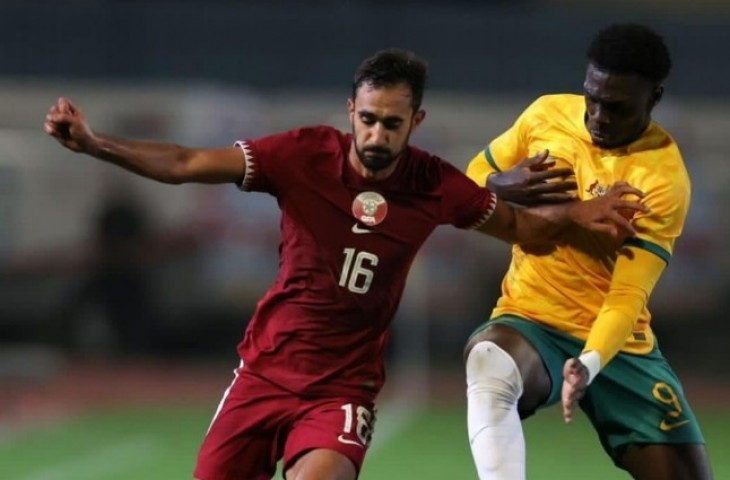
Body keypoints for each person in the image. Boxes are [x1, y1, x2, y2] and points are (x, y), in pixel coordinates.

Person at [44, 49, 645, 480]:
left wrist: (576, 212)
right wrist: (96, 144)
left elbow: (521, 229)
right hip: (263, 373)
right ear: (349, 110)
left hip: (340, 390)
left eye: (392, 122)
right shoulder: (301, 155)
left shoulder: (435, 183)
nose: (377, 135)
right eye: (367, 118)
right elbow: (182, 162)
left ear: (416, 122)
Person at [463, 24, 713, 480]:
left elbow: (626, 297)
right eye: (591, 98)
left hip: (618, 345)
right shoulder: (546, 115)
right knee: (489, 364)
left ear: (653, 97)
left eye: (616, 107)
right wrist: (498, 183)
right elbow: (473, 178)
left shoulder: (662, 178)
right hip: (532, 320)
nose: (597, 116)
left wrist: (590, 362)